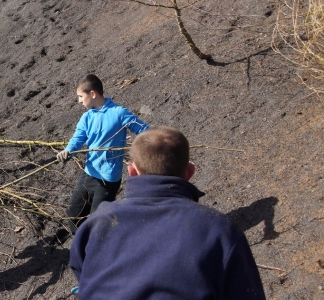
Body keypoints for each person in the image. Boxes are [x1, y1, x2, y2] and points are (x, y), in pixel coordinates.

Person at [69, 126, 266, 299]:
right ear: (189, 173)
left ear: (131, 171)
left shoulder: (96, 223)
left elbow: (81, 272)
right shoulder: (220, 231)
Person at [56, 74, 148, 234]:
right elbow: (77, 139)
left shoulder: (119, 113)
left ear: (92, 94)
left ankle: (99, 251)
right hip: (89, 174)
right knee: (73, 215)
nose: (79, 101)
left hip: (107, 180)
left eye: (80, 96)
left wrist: (141, 151)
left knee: (98, 224)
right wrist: (68, 151)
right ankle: (83, 250)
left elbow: (144, 130)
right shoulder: (86, 117)